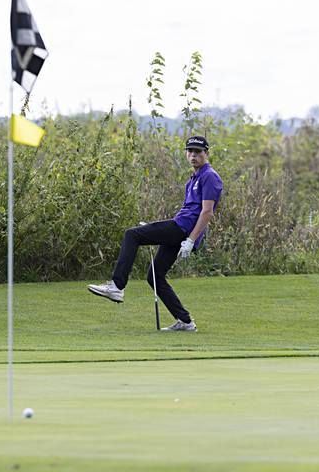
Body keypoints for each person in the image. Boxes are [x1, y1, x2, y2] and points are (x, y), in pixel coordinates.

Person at [87, 135, 223, 331]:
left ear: (206, 154)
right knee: (154, 276)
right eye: (190, 151)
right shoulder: (193, 178)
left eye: (198, 152)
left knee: (132, 235)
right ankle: (185, 322)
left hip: (184, 230)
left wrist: (191, 240)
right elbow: (188, 211)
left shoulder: (209, 176)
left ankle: (116, 287)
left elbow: (207, 212)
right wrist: (155, 226)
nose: (193, 155)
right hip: (180, 227)